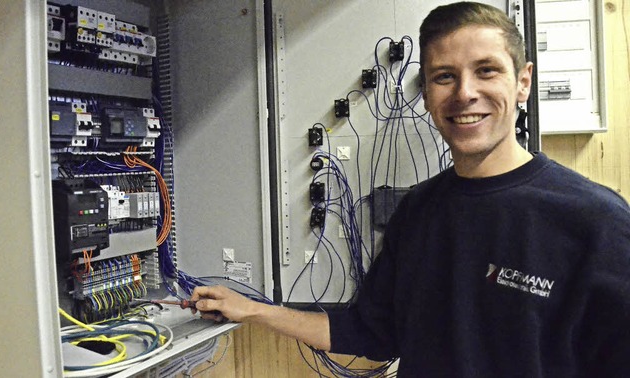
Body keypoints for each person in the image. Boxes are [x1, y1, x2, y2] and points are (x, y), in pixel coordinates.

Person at [190, 2, 630, 375]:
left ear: (523, 82)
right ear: (425, 94)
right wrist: (253, 310)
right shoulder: (418, 212)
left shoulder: (596, 222)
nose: (465, 93)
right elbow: (371, 331)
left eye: (486, 71)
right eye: (444, 76)